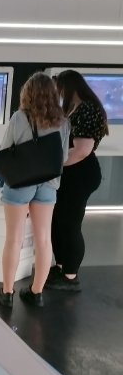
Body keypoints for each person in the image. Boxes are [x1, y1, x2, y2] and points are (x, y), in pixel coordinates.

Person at [0, 73, 70, 308]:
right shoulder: (63, 121)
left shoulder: (20, 117)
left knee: (14, 239)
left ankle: (7, 293)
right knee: (44, 240)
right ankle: (36, 293)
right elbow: (63, 158)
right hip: (48, 183)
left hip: (20, 182)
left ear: (27, 93)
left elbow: (5, 149)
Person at [47, 70, 108, 292]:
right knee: (58, 222)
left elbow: (82, 151)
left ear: (69, 86)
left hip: (80, 175)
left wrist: (52, 165)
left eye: (60, 89)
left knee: (70, 224)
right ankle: (61, 267)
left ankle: (70, 277)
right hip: (71, 175)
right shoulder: (78, 108)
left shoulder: (88, 109)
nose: (59, 94)